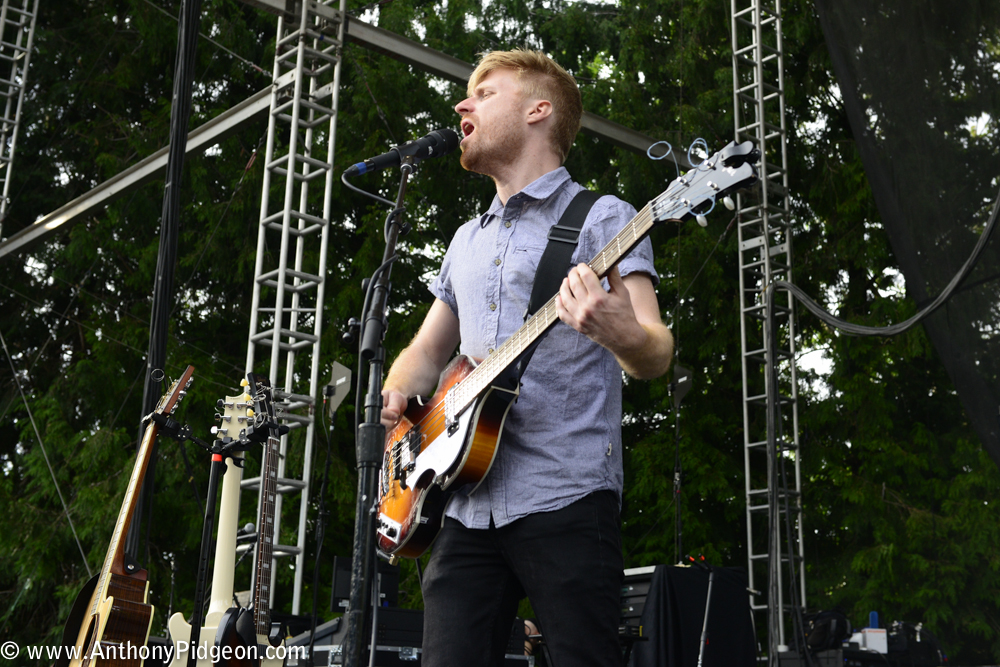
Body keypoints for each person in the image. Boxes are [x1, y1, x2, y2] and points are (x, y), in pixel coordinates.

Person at [380, 49, 674, 667]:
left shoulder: (604, 218)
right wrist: (402, 402)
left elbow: (656, 351)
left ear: (539, 110)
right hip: (460, 502)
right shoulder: (466, 239)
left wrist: (620, 332)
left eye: (484, 93)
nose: (463, 104)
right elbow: (429, 353)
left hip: (566, 493)